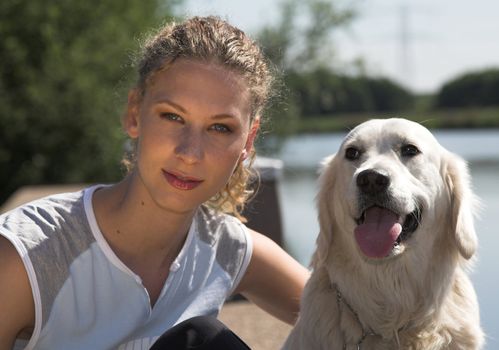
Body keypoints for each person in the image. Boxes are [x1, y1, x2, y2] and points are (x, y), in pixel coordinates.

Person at [0, 16, 309, 350]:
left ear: (249, 140)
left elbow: (355, 315)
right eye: (173, 116)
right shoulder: (26, 255)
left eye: (220, 128)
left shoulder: (226, 249)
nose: (191, 153)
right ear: (134, 114)